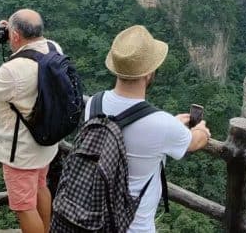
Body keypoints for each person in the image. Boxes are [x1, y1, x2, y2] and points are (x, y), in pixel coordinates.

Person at [85, 25, 211, 233]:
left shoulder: (93, 103)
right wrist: (202, 129)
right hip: (133, 227)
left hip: (91, 219)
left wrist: (172, 125)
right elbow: (195, 141)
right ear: (149, 73)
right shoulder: (161, 124)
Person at [0, 9, 62, 233]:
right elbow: (31, 48)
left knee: (24, 207)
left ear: (15, 35)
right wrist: (13, 34)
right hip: (46, 141)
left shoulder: (13, 71)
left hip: (21, 152)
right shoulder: (54, 48)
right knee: (41, 187)